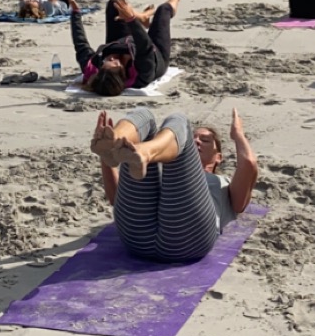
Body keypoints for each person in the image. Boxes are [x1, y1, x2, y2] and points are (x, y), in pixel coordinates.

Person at [90, 106, 259, 263]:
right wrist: (106, 157)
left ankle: (144, 150)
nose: (197, 141)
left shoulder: (224, 183)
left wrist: (238, 134)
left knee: (180, 121)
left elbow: (249, 164)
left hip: (188, 239)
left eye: (205, 140)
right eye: (194, 138)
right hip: (136, 236)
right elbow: (117, 198)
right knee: (145, 115)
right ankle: (114, 140)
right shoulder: (144, 168)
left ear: (218, 157)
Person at [69, 0, 185, 96]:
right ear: (123, 74)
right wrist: (131, 20)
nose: (111, 58)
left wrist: (75, 13)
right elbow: (145, 45)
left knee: (115, 4)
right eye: (115, 63)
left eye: (106, 62)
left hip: (123, 42)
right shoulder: (142, 72)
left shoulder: (93, 67)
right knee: (163, 10)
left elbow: (80, 44)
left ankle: (142, 17)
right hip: (155, 52)